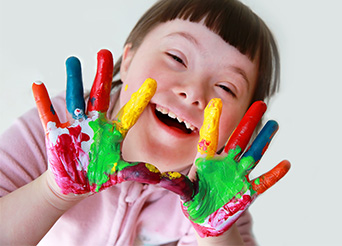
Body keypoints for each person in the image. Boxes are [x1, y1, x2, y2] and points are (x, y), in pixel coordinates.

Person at [0, 0, 290, 245]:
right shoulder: (61, 135)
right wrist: (53, 192)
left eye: (226, 88)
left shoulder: (220, 198)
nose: (192, 92)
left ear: (242, 124)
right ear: (128, 60)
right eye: (177, 57)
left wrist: (215, 233)